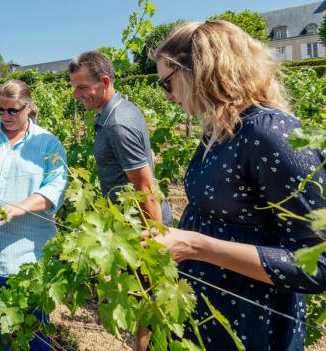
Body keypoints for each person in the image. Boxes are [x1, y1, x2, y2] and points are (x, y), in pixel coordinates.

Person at [145, 20, 326, 350]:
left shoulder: (270, 134)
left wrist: (197, 246)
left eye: (167, 84)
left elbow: (317, 264)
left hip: (250, 328)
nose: (168, 97)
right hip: (207, 321)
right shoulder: (218, 129)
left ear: (200, 68)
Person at [0, 79, 68, 351]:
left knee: (33, 337)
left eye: (13, 110)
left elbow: (55, 187)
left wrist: (17, 207)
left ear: (29, 107)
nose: (5, 116)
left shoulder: (47, 143)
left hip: (27, 258)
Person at [69, 51, 170, 223]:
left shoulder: (117, 125)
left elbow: (145, 190)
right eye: (74, 87)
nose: (75, 95)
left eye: (83, 87)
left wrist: (155, 243)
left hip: (140, 227)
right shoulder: (121, 108)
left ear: (105, 82)